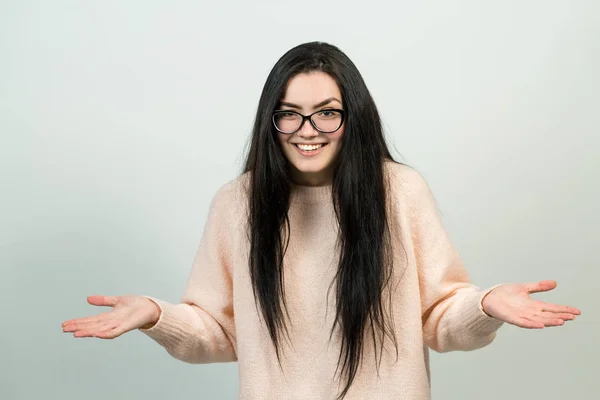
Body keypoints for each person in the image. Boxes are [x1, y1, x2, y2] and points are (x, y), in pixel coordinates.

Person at [61, 41, 581, 400]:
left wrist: (486, 304)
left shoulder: (399, 191)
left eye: (326, 112)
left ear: (352, 116)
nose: (306, 129)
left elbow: (441, 320)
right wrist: (155, 314)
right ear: (272, 120)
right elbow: (219, 334)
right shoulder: (237, 205)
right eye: (289, 113)